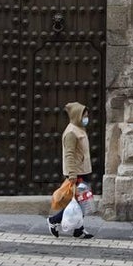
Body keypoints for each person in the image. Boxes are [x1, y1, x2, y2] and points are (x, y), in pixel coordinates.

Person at [47, 101, 95, 239]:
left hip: (83, 170)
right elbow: (69, 154)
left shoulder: (79, 129)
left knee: (83, 202)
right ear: (77, 115)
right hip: (77, 172)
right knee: (79, 203)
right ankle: (53, 221)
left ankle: (78, 229)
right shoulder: (71, 132)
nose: (86, 118)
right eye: (84, 116)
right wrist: (72, 174)